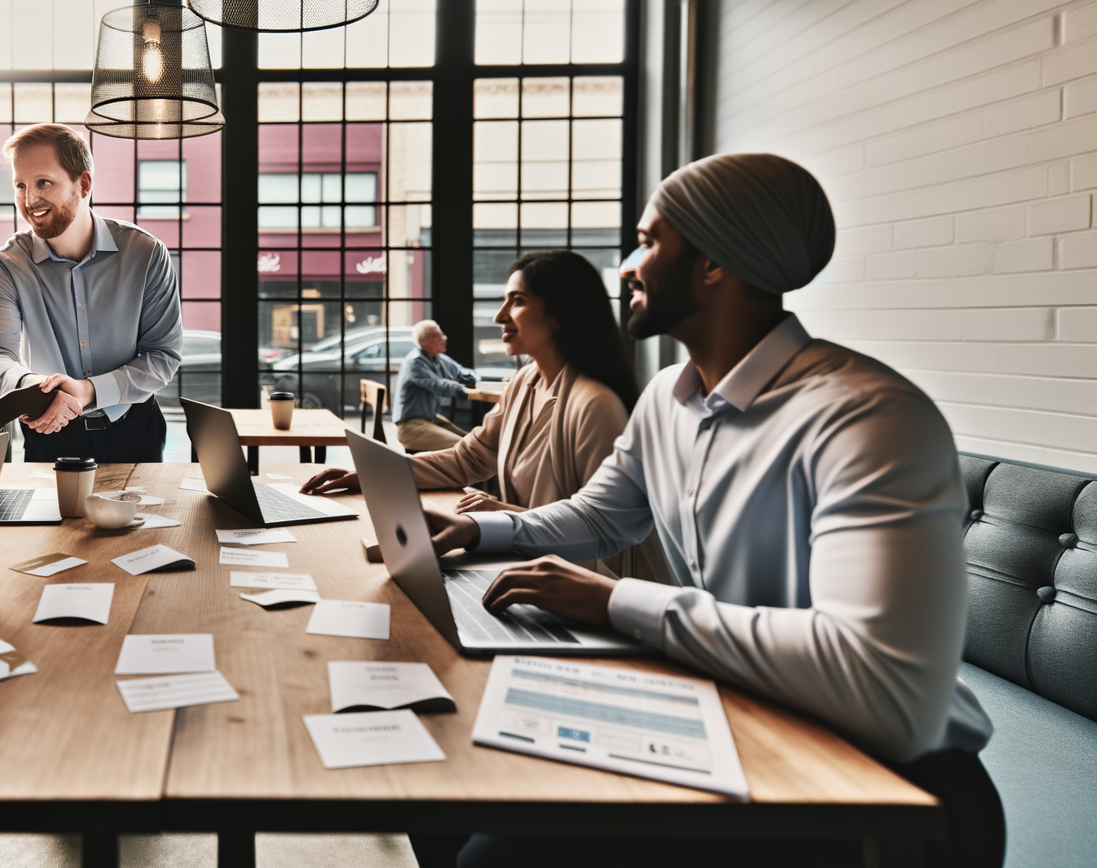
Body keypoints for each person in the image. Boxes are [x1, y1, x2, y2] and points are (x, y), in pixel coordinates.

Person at [419, 155, 1000, 868]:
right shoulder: (668, 398)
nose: (629, 267)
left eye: (649, 242)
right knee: (443, 782)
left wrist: (619, 601)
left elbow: (879, 684)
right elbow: (602, 517)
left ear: (714, 264)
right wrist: (480, 528)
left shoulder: (868, 418)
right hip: (738, 716)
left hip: (885, 784)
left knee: (488, 854)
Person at [302, 251, 671, 584]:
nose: (499, 316)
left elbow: (601, 530)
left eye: (518, 301)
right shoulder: (525, 381)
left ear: (560, 313)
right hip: (526, 568)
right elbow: (468, 459)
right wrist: (371, 475)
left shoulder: (595, 405)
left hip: (591, 588)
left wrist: (497, 516)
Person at [0, 122, 182, 463]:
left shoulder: (145, 253)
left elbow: (162, 355)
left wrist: (88, 391)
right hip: (49, 433)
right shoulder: (5, 266)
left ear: (83, 184)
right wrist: (38, 389)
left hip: (136, 430)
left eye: (44, 183)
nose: (29, 199)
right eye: (20, 185)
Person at [391, 319, 477, 452]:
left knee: (475, 442)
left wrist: (471, 379)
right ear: (423, 342)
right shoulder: (414, 362)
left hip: (428, 419)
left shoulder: (438, 358)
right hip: (410, 427)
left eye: (443, 335)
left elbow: (462, 371)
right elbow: (436, 383)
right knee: (467, 448)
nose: (444, 339)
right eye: (438, 337)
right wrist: (461, 389)